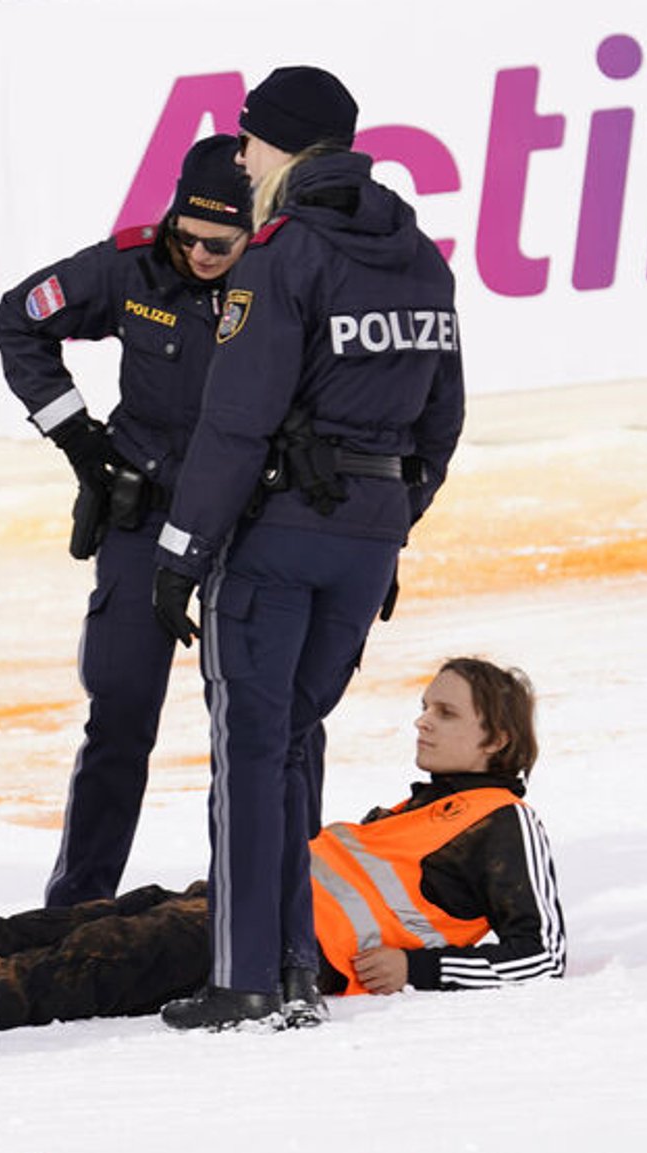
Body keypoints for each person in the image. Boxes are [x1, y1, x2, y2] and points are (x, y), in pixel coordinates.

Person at [149, 65, 466, 1032]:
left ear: (284, 146)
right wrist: (389, 526)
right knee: (293, 738)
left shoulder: (283, 255)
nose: (238, 160)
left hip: (281, 536)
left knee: (250, 749)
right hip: (368, 538)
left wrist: (178, 552)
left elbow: (236, 424)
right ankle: (293, 964)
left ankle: (248, 977)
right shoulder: (421, 257)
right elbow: (443, 422)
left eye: (248, 143)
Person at [0, 658, 564, 1041]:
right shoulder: (419, 805)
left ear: (494, 737)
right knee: (41, 926)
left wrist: (419, 968)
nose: (421, 720)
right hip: (231, 903)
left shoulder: (502, 822)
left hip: (270, 947)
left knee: (95, 956)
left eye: (444, 711)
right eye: (424, 705)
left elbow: (544, 955)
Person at [0, 135, 253, 908]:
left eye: (221, 243)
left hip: (247, 520)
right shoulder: (132, 265)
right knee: (120, 711)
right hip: (145, 516)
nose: (201, 254)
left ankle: (250, 903)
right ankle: (76, 904)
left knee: (254, 723)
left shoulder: (284, 274)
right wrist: (80, 441)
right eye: (188, 235)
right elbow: (19, 321)